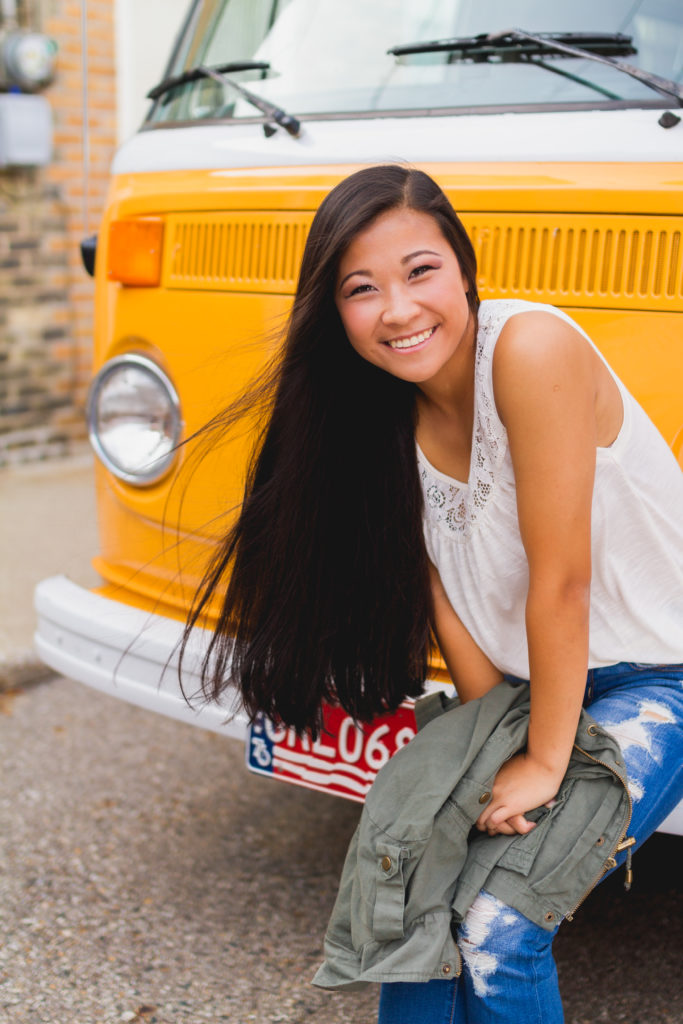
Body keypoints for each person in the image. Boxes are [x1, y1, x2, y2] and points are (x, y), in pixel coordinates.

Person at [182, 165, 683, 1023]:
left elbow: (558, 582)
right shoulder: (373, 416)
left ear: (462, 266)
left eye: (420, 271)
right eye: (360, 289)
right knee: (413, 896)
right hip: (529, 690)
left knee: (494, 924)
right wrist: (489, 738)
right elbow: (441, 599)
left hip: (656, 677)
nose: (399, 310)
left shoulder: (530, 350)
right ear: (332, 312)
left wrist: (541, 762)